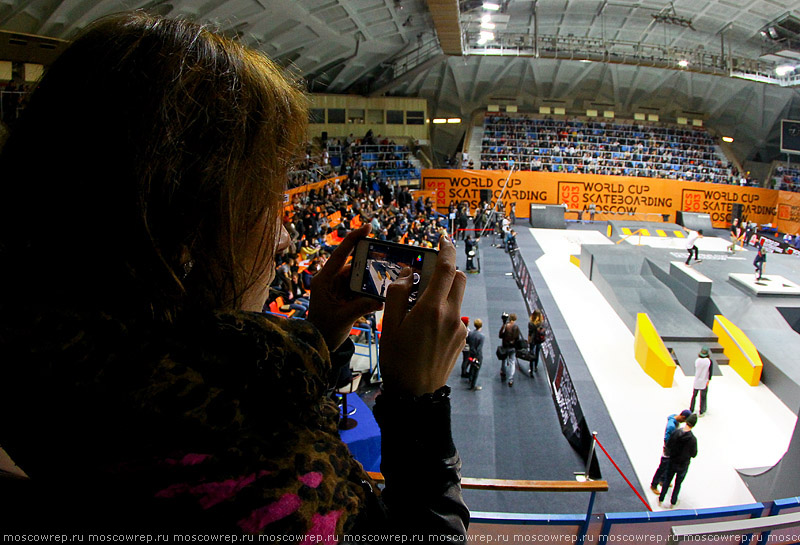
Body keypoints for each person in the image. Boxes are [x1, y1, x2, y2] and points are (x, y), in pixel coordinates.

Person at [0, 13, 470, 536]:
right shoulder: (259, 490)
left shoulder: (59, 370)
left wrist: (323, 337)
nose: (285, 238)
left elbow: (250, 401)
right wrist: (417, 404)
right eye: (266, 202)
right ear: (182, 237)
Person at [658, 413, 699, 508]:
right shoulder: (693, 440)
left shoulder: (676, 433)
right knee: (678, 483)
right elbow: (694, 454)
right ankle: (673, 501)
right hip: (683, 465)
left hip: (672, 461)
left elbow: (669, 445)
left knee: (667, 480)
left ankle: (661, 498)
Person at [650, 410, 692, 494]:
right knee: (663, 466)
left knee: (667, 465)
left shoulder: (674, 418)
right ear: (683, 417)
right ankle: (654, 484)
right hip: (668, 449)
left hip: (671, 448)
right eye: (685, 421)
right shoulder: (671, 426)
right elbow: (667, 439)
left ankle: (662, 480)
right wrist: (671, 449)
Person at [499, 313, 521, 387]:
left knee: (504, 360)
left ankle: (503, 372)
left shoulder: (505, 326)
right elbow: (517, 338)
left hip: (505, 346)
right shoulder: (516, 327)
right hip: (513, 347)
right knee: (512, 362)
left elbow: (500, 335)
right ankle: (511, 379)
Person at [690, 347, 712, 416]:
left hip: (697, 381)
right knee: (703, 397)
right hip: (704, 381)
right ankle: (702, 411)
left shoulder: (697, 361)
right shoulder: (709, 362)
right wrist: (709, 380)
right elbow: (710, 372)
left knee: (694, 396)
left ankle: (691, 409)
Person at [466, 319, 485, 391]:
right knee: (476, 370)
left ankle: (470, 379)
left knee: (471, 366)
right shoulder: (482, 336)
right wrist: (477, 357)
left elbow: (467, 341)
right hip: (478, 355)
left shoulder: (470, 333)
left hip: (471, 353)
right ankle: (473, 385)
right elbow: (479, 348)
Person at [527, 310, 546, 376]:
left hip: (533, 340)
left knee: (531, 354)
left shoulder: (531, 323)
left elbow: (529, 333)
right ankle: (535, 367)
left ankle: (531, 370)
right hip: (539, 340)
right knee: (537, 353)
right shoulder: (541, 323)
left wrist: (528, 341)